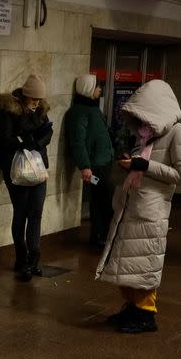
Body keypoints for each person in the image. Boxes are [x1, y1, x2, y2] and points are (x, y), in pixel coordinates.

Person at [97, 79, 181, 334]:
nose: (140, 123)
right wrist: (129, 163)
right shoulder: (146, 135)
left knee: (144, 262)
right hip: (131, 205)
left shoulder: (180, 134)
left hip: (151, 210)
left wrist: (143, 166)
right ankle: (132, 307)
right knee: (127, 263)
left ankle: (146, 314)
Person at [0, 74, 54, 282]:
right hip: (16, 169)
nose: (36, 104)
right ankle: (21, 258)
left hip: (38, 168)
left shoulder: (41, 110)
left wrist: (39, 140)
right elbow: (4, 139)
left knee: (36, 213)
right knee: (21, 212)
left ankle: (33, 260)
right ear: (25, 96)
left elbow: (48, 133)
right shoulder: (10, 111)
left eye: (39, 100)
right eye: (33, 100)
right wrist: (25, 139)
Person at [65, 73, 114, 246]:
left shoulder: (92, 109)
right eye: (97, 86)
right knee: (101, 202)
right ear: (88, 89)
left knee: (104, 200)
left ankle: (102, 236)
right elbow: (78, 141)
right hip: (94, 165)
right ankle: (99, 237)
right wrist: (85, 166)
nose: (100, 89)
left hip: (103, 162)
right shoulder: (79, 112)